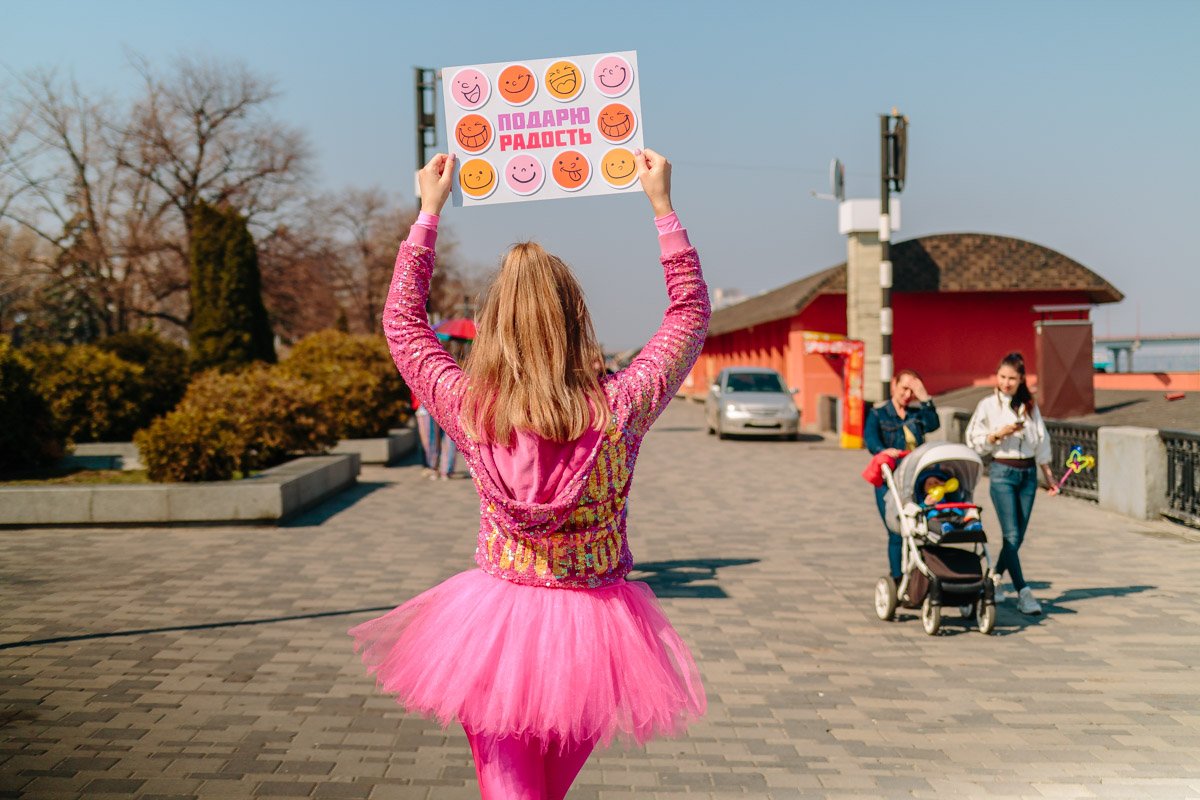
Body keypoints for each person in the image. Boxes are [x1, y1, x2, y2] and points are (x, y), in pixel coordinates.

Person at [349, 148, 709, 800]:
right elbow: (687, 316)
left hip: (493, 629)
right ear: (578, 324)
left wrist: (427, 214)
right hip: (596, 633)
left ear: (494, 328)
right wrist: (662, 207)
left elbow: (402, 327)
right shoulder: (619, 409)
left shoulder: (469, 410)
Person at [965, 351, 1058, 615]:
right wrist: (997, 435)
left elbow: (1041, 439)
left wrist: (1048, 475)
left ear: (1021, 380)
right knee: (1012, 534)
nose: (1006, 383)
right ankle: (1023, 592)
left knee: (1017, 538)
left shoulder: (1028, 404)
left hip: (1027, 474)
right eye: (1002, 377)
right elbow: (973, 438)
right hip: (1002, 472)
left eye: (1012, 378)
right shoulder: (987, 405)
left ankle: (993, 577)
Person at [864, 369, 940, 583]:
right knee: (897, 529)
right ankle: (897, 578)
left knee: (919, 528)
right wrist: (883, 450)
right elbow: (871, 440)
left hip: (915, 479)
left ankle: (918, 575)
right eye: (904, 388)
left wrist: (924, 397)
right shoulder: (879, 414)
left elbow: (934, 424)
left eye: (912, 390)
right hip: (889, 479)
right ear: (894, 386)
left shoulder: (917, 415)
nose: (907, 394)